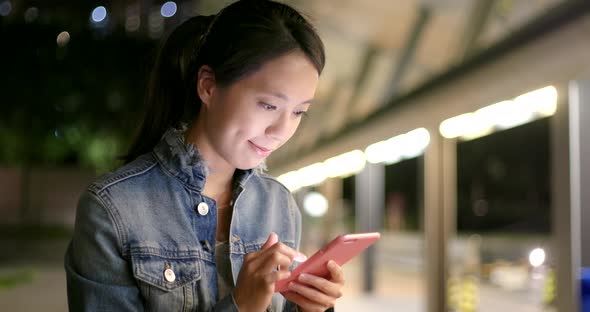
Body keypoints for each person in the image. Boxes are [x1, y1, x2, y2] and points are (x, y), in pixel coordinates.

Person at [64, 0, 345, 311]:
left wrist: (311, 307)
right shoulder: (112, 209)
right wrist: (241, 306)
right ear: (208, 86)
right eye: (268, 106)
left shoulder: (278, 204)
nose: (281, 129)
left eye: (299, 112)